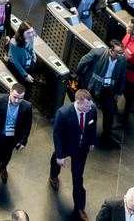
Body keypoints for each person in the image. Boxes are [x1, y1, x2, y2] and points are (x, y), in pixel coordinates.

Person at [49, 89, 98, 221]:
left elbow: (93, 126)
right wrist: (59, 155)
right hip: (66, 146)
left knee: (78, 177)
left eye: (90, 104)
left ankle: (79, 207)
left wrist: (92, 141)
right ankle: (53, 174)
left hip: (82, 149)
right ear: (78, 103)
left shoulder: (92, 109)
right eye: (87, 106)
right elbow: (57, 135)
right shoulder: (63, 113)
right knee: (55, 160)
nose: (90, 107)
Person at [0, 83, 32, 193]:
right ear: (10, 92)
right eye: (15, 97)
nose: (17, 101)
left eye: (20, 99)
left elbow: (28, 124)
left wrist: (23, 140)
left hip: (13, 137)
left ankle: (3, 168)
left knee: (8, 155)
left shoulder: (27, 106)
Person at [75, 40, 126, 148]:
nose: (122, 55)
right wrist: (79, 76)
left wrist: (119, 92)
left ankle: (107, 135)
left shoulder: (123, 59)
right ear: (111, 51)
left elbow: (122, 75)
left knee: (109, 112)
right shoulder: (96, 53)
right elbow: (82, 63)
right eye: (119, 53)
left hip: (109, 89)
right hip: (93, 88)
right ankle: (83, 133)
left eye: (122, 52)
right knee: (88, 111)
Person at [8, 22, 36, 92]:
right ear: (22, 32)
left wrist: (34, 58)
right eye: (28, 33)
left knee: (28, 86)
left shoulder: (31, 37)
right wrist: (25, 75)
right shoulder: (13, 42)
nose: (31, 35)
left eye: (32, 32)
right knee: (18, 88)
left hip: (28, 63)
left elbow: (31, 48)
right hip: (17, 66)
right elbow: (15, 61)